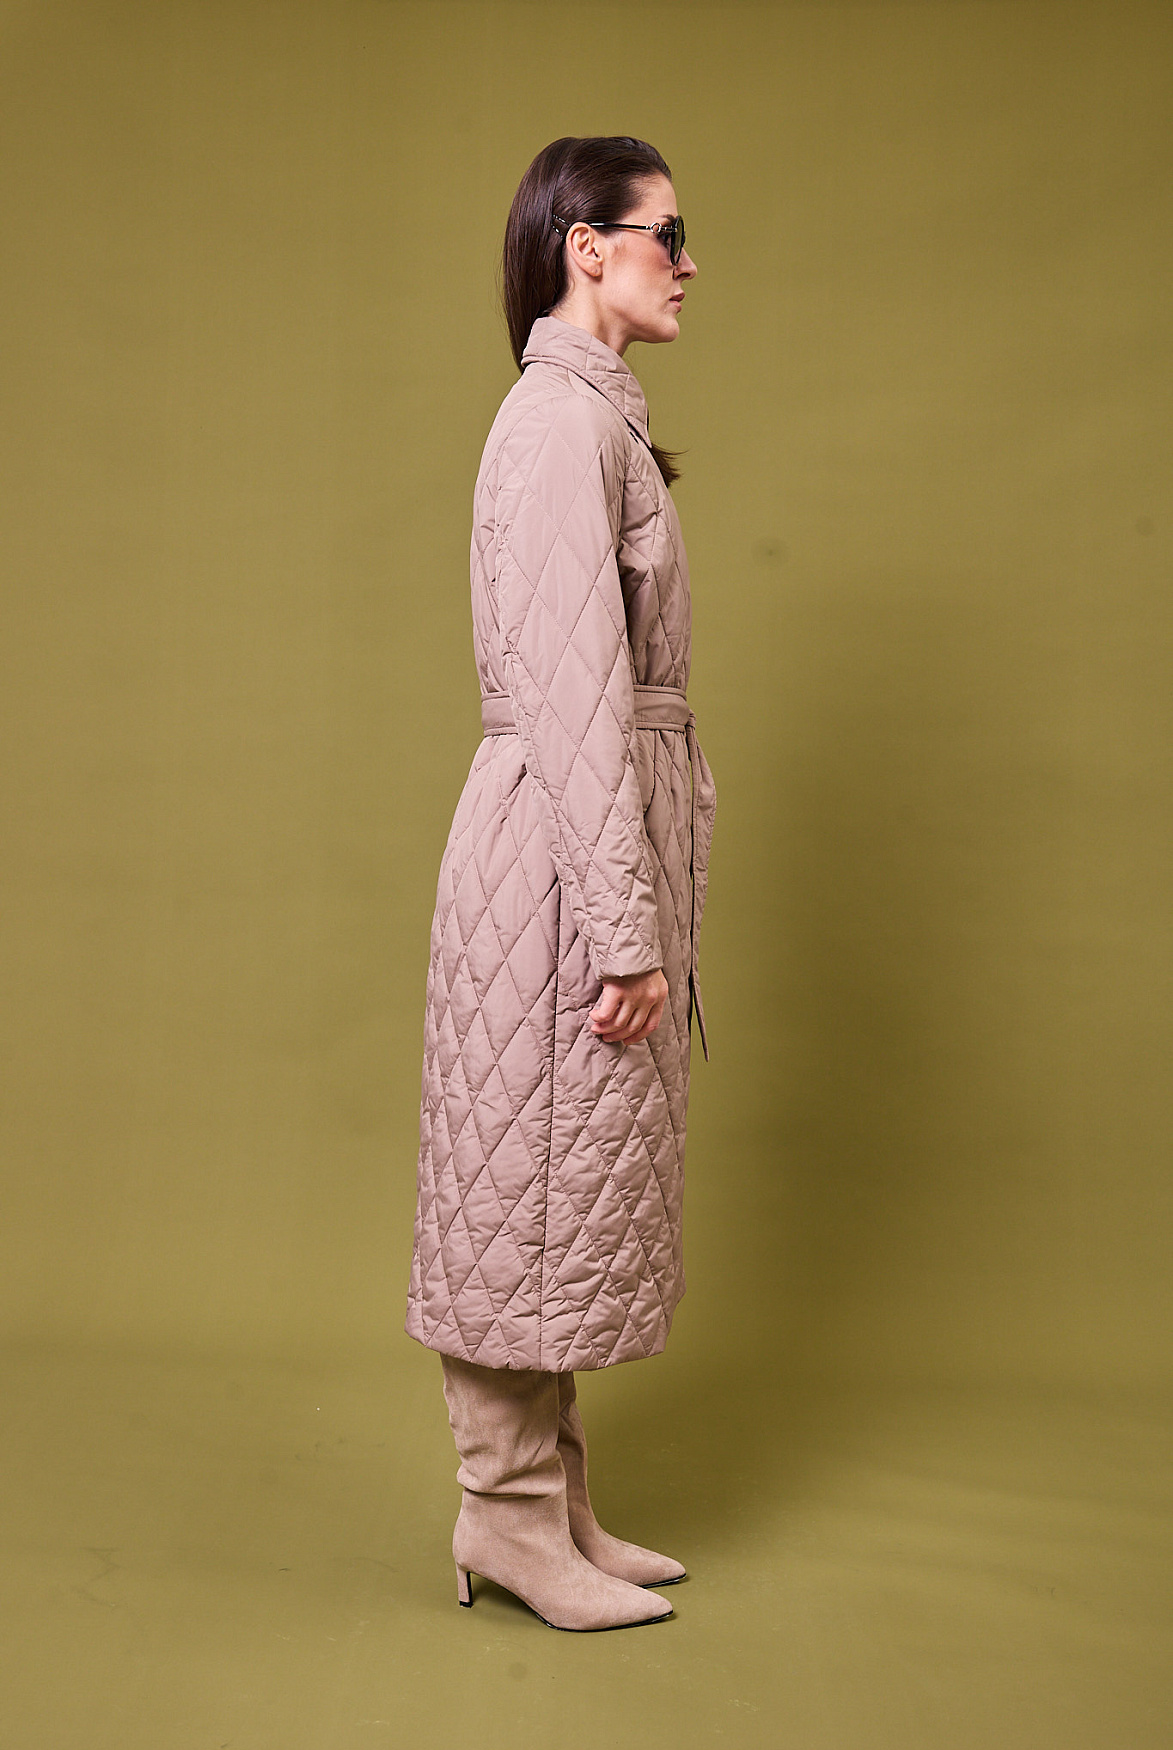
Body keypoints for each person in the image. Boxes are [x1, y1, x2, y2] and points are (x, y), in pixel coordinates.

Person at [405, 135, 716, 1632]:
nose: (689, 262)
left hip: (577, 841)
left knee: (554, 1182)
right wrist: (622, 926)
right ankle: (506, 1515)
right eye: (667, 232)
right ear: (586, 246)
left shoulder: (594, 420)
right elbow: (578, 698)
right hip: (555, 856)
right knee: (518, 1180)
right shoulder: (556, 427)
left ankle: (552, 1509)